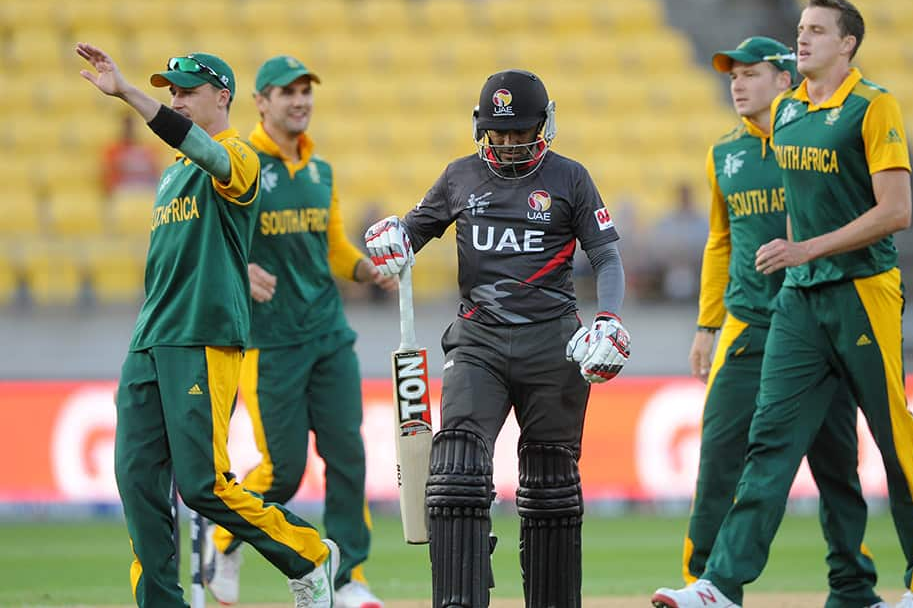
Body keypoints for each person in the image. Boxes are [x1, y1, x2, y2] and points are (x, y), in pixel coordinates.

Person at [650, 0, 913, 608]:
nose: (804, 38)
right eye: (799, 29)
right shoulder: (787, 114)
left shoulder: (874, 105)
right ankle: (719, 586)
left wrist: (807, 248)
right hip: (798, 299)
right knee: (768, 442)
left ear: (848, 44)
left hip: (862, 291)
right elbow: (774, 213)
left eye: (817, 30)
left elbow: (897, 212)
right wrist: (767, 277)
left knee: (893, 445)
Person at [76, 43, 341, 608]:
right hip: (151, 341)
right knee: (139, 487)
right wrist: (236, 265)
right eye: (171, 90)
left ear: (222, 96)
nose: (177, 99)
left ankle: (308, 554)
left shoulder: (238, 155)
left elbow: (204, 154)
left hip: (202, 339)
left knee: (203, 484)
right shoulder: (171, 178)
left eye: (187, 91)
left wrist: (129, 93)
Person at [364, 69, 631, 608]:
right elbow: (410, 233)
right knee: (456, 470)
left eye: (519, 132)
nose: (508, 144)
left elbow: (604, 254)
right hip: (478, 341)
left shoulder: (570, 178)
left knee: (550, 482)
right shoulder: (459, 176)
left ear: (544, 125)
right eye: (498, 133)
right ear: (482, 129)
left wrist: (608, 318)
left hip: (554, 343)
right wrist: (389, 240)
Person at [657, 36, 885, 608]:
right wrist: (707, 324)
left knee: (837, 468)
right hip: (748, 326)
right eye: (732, 74)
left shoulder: (814, 141)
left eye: (751, 73)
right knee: (718, 460)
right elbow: (720, 240)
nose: (737, 83)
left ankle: (854, 590)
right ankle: (703, 584)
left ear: (785, 80)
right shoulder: (723, 154)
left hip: (816, 323)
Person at [202, 55, 394, 608]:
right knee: (282, 473)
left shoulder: (321, 171)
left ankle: (348, 576)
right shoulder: (237, 163)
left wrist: (365, 269)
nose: (300, 100)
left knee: (348, 457)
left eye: (306, 90)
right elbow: (205, 240)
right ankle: (224, 540)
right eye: (287, 92)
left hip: (329, 335)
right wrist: (239, 269)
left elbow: (332, 246)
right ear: (260, 102)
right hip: (269, 342)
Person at [101, 112, 161, 193]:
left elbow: (156, 171)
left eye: (131, 126)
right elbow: (107, 174)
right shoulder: (113, 150)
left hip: (146, 189)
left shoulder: (147, 149)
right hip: (122, 190)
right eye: (126, 126)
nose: (129, 130)